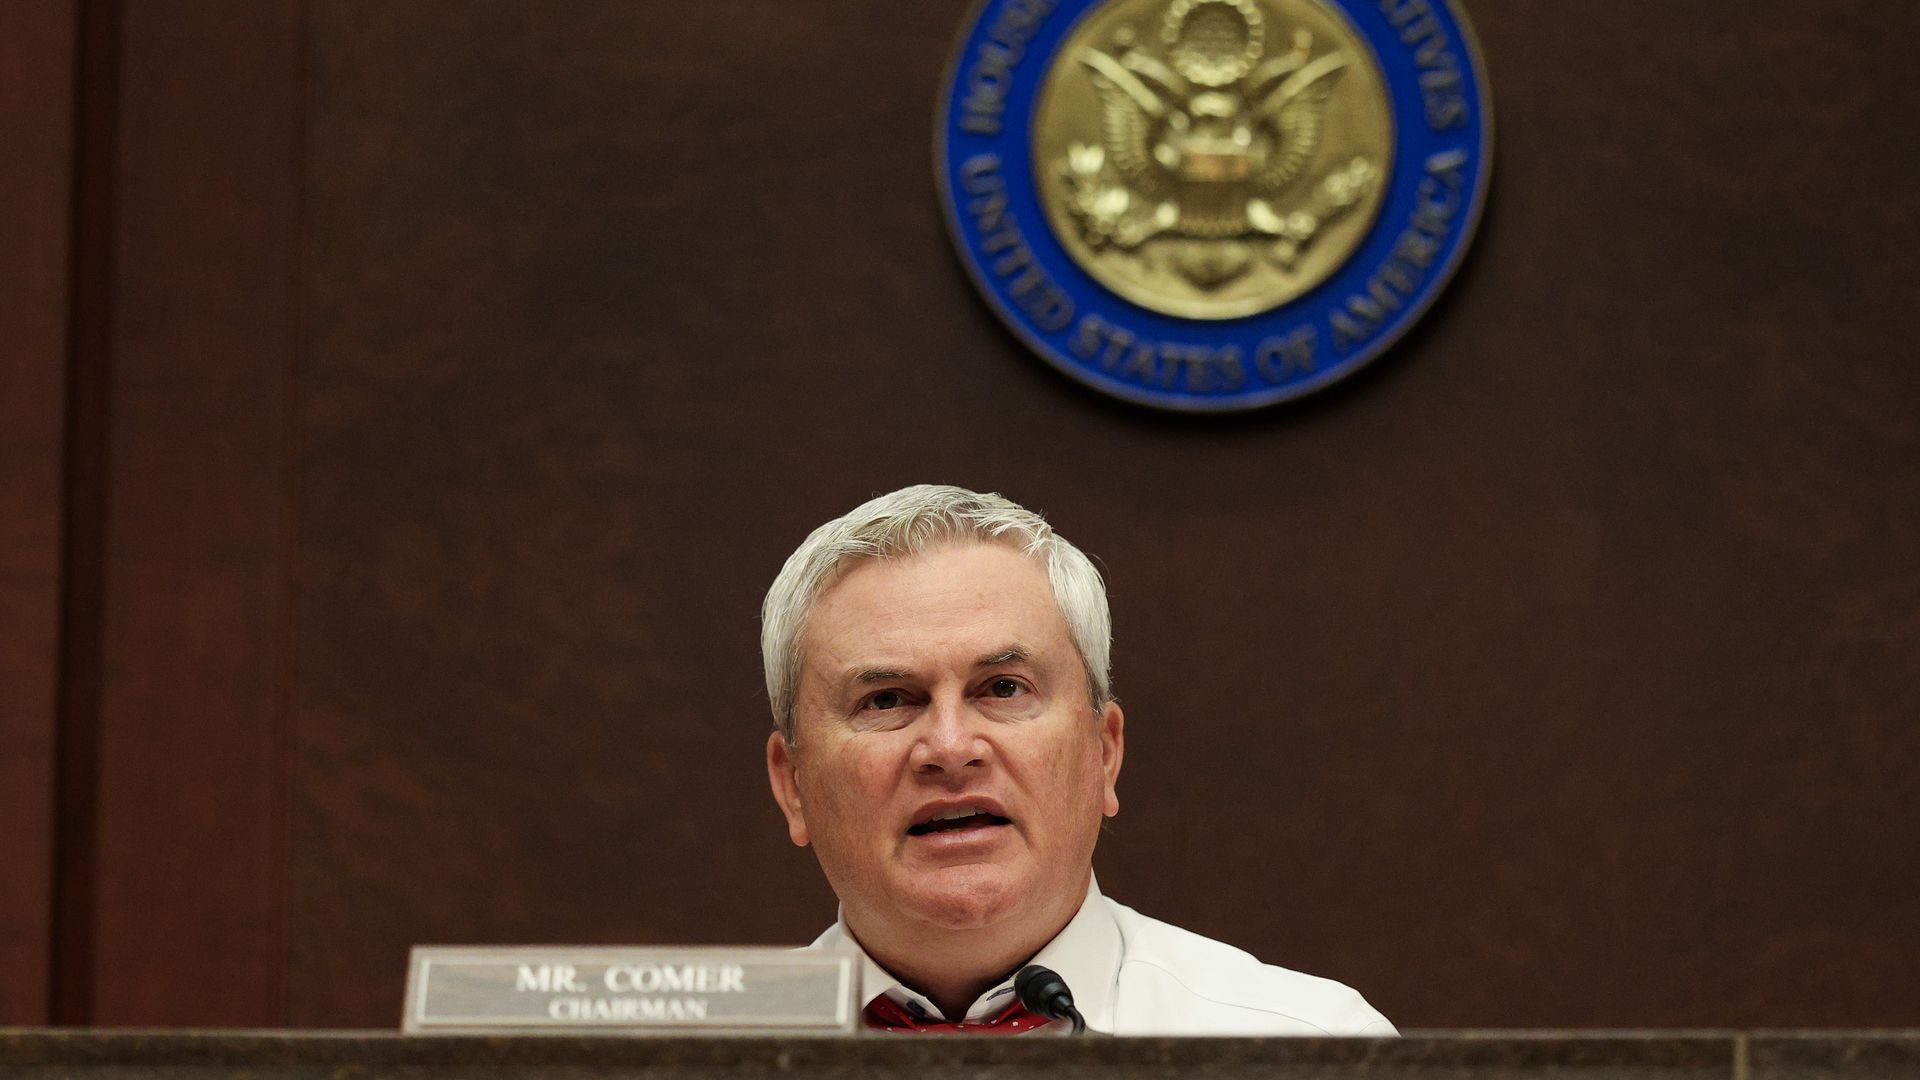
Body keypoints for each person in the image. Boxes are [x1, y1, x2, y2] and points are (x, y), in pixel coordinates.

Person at [763, 484, 1393, 1036]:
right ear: (793, 785)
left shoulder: (1309, 1047)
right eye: (887, 700)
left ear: (1104, 751)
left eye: (1004, 688)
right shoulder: (689, 1061)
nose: (951, 749)